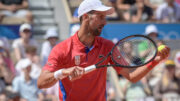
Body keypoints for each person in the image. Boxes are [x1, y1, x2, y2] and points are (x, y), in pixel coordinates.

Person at [37, 0, 170, 101]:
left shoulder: (107, 46)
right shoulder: (62, 49)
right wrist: (63, 72)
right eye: (100, 17)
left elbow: (132, 76)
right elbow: (41, 83)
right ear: (85, 18)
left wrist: (155, 61)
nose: (105, 22)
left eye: (105, 17)